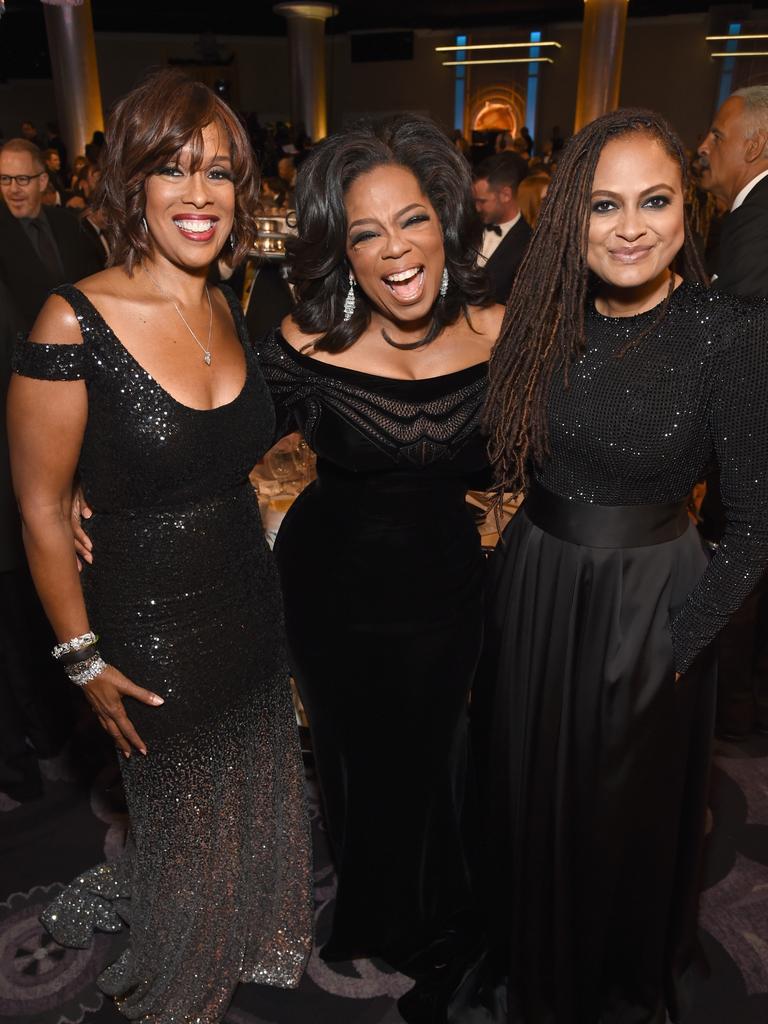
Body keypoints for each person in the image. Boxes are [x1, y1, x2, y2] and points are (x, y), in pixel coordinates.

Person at [8, 69, 311, 1023]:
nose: (200, 196)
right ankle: (190, 960)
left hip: (245, 587)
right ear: (131, 183)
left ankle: (253, 924)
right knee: (180, 805)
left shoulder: (226, 297)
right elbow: (43, 510)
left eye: (219, 173)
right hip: (146, 614)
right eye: (173, 171)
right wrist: (81, 656)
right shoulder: (73, 320)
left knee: (253, 773)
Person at [455, 109, 768, 1024]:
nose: (630, 226)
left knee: (616, 810)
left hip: (651, 603)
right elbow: (483, 451)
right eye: (603, 205)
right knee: (527, 795)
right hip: (536, 586)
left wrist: (678, 646)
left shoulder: (730, 335)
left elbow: (754, 527)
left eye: (656, 200)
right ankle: (533, 958)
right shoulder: (543, 323)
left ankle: (610, 976)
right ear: (570, 220)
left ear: (688, 211)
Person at [254, 115, 503, 976]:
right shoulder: (306, 346)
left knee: (440, 751)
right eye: (367, 232)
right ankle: (371, 910)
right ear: (344, 254)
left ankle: (444, 903)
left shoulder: (504, 334)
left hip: (445, 581)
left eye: (412, 219)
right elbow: (209, 449)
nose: (395, 248)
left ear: (445, 223)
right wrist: (82, 497)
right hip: (332, 589)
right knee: (355, 759)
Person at [696, 84, 768, 737]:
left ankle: (735, 711)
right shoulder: (745, 215)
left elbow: (736, 343)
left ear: (756, 142)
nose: (704, 147)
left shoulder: (760, 222)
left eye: (716, 136)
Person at [0, 139, 104, 330]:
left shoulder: (68, 222)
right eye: (5, 179)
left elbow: (92, 279)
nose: (13, 189)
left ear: (42, 181)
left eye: (22, 179)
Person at [473, 153, 532, 305]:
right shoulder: (468, 226)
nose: (476, 208)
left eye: (482, 201)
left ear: (505, 195)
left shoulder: (529, 243)